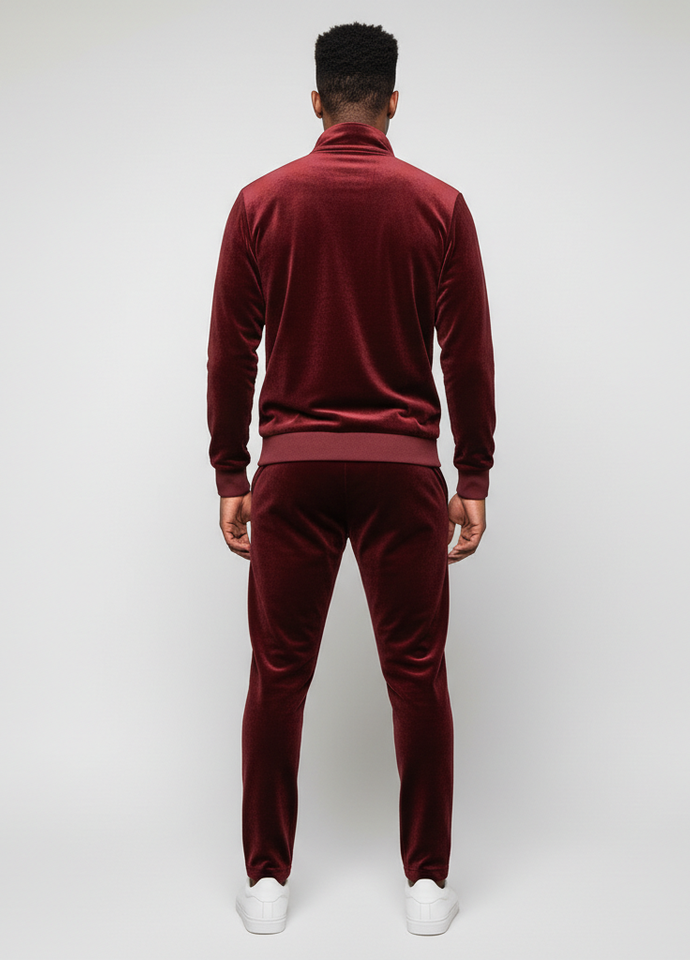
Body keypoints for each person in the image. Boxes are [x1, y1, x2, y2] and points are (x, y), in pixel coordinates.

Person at [206, 21, 495, 936]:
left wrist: (231, 469)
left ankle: (266, 884)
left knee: (277, 676)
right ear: (394, 102)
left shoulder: (260, 204)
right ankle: (427, 885)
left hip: (292, 469)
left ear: (317, 102)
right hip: (402, 471)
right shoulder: (439, 207)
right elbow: (468, 356)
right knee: (418, 677)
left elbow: (230, 353)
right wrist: (474, 472)